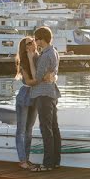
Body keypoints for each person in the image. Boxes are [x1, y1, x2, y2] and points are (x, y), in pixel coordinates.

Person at [32, 26, 62, 170]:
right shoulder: (55, 52)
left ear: (42, 39)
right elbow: (52, 74)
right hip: (52, 93)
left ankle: (47, 163)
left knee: (46, 128)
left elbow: (38, 77)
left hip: (43, 94)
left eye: (36, 39)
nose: (36, 42)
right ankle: (56, 161)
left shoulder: (45, 56)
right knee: (54, 127)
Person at [14, 37, 41, 171]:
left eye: (33, 41)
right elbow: (31, 82)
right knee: (21, 130)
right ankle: (22, 160)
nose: (33, 43)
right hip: (25, 96)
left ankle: (27, 159)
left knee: (29, 130)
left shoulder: (39, 58)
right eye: (29, 43)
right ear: (25, 48)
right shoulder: (24, 62)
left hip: (35, 96)